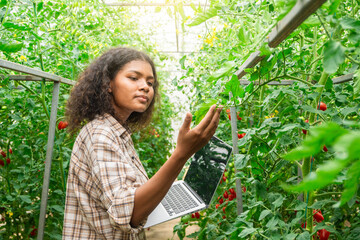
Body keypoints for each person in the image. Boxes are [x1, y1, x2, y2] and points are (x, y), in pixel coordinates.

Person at [62, 47, 221, 239]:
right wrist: (181, 154)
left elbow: (129, 196)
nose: (145, 86)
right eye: (133, 77)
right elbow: (128, 212)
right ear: (108, 84)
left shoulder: (117, 132)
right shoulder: (100, 135)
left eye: (150, 82)